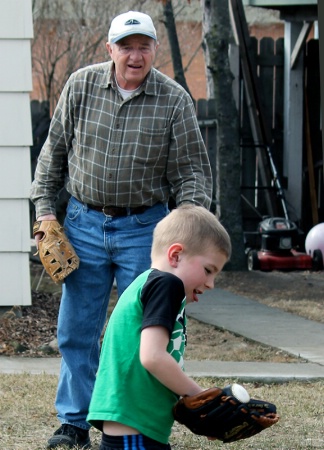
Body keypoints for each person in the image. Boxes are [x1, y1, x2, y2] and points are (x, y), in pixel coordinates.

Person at [30, 10, 213, 450]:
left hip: (146, 228)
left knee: (149, 330)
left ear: (155, 49)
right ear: (109, 49)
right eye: (126, 46)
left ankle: (141, 419)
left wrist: (185, 233)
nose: (135, 55)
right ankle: (74, 422)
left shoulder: (174, 100)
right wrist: (44, 212)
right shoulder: (80, 85)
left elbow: (192, 174)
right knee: (76, 329)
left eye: (143, 45)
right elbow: (52, 154)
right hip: (81, 222)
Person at [87, 204, 231, 449]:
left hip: (134, 427)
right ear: (175, 255)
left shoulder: (147, 283)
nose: (211, 283)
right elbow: (152, 357)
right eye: (208, 270)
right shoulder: (166, 284)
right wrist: (201, 398)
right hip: (134, 429)